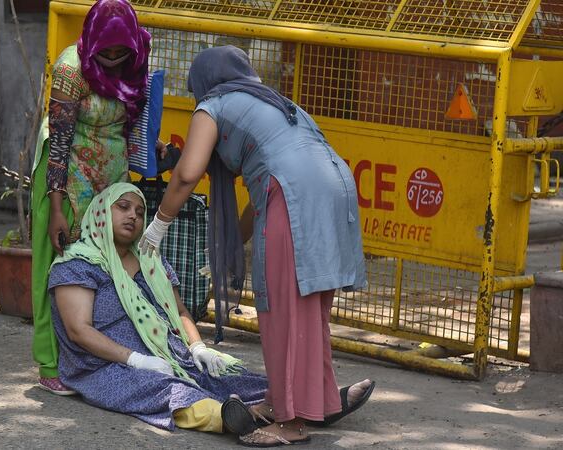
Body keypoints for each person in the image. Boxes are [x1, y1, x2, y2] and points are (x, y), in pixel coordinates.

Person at [139, 46, 375, 446]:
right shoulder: (275, 103)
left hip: (293, 193)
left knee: (282, 308)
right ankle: (313, 400)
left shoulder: (213, 105)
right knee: (310, 303)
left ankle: (290, 420)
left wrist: (157, 226)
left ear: (203, 84)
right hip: (335, 187)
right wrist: (233, 247)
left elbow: (186, 174)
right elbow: (262, 199)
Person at [48, 183, 268, 433]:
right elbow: (79, 330)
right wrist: (136, 359)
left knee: (227, 376)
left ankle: (292, 403)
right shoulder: (78, 263)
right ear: (100, 212)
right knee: (163, 387)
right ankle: (224, 416)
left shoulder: (150, 258)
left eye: (140, 212)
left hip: (168, 354)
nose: (133, 215)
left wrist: (199, 348)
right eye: (123, 207)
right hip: (105, 366)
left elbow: (181, 312)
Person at [30, 0, 162, 395]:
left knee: (105, 268)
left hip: (111, 177)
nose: (113, 59)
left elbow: (135, 119)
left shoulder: (137, 58)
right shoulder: (73, 69)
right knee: (56, 265)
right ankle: (50, 362)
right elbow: (60, 143)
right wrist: (57, 208)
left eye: (120, 53)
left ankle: (96, 355)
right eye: (106, 53)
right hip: (65, 176)